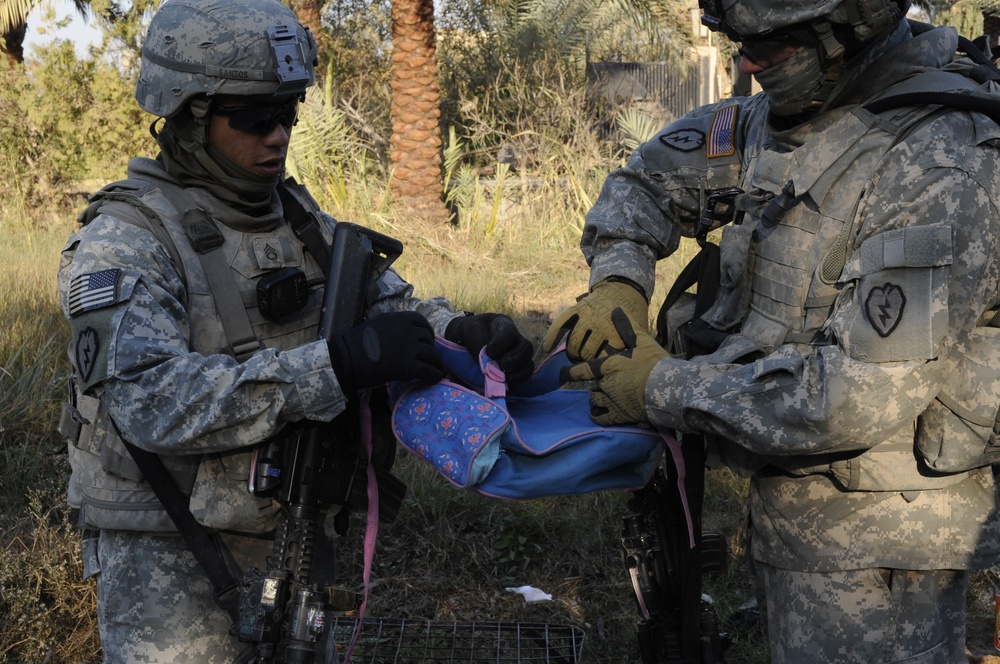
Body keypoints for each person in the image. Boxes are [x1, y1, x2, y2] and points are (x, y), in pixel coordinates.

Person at [56, 0, 534, 661]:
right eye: (254, 119)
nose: (277, 136)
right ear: (189, 116)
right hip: (171, 550)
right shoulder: (127, 240)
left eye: (287, 113)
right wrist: (334, 368)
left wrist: (460, 331)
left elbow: (386, 304)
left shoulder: (295, 216)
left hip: (296, 528)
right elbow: (149, 399)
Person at [547, 0, 1000, 661]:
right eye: (740, 42)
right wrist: (619, 281)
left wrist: (659, 388)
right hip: (796, 507)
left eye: (769, 45)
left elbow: (858, 394)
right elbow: (645, 182)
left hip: (881, 539)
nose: (747, 62)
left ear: (847, 30)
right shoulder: (780, 119)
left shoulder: (938, 160)